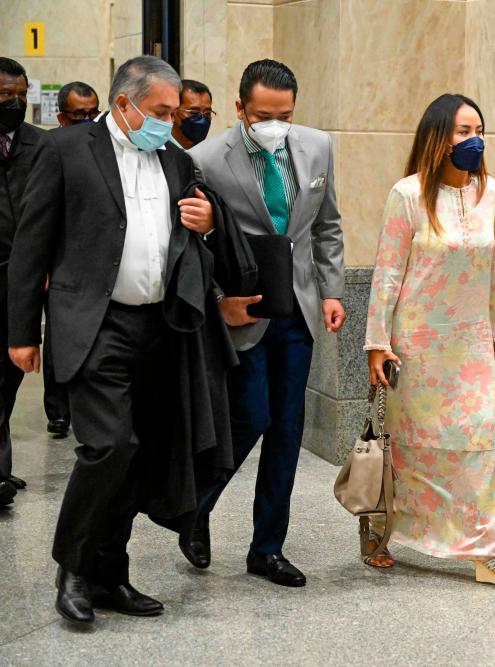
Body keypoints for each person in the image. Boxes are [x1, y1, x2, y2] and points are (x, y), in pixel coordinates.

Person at [7, 56, 216, 625]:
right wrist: (22, 332)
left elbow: (191, 235)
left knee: (141, 453)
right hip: (95, 323)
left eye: (175, 112)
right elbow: (31, 244)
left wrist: (205, 221)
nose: (170, 122)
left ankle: (110, 573)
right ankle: (72, 569)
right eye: (161, 111)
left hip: (159, 328)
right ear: (123, 103)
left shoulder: (175, 160)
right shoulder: (65, 151)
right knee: (109, 446)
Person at [363, 93, 495, 593]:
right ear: (438, 136)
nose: (474, 141)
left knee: (478, 443)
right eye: (463, 131)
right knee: (413, 451)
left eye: (479, 131)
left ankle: (489, 552)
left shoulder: (492, 193)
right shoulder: (407, 195)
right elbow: (386, 274)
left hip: (470, 346)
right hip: (417, 344)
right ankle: (382, 527)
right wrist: (378, 343)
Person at [185, 59, 345, 587]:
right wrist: (216, 301)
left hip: (297, 310)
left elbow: (327, 225)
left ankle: (267, 548)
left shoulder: (317, 146)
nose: (274, 124)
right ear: (240, 110)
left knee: (286, 430)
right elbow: (188, 248)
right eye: (262, 115)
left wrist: (331, 291)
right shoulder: (206, 159)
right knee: (249, 417)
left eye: (285, 114)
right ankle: (193, 509)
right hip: (243, 309)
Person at [0, 57, 41, 509]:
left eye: (21, 94)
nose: (16, 102)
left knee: (10, 375)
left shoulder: (40, 146)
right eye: (6, 94)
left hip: (28, 286)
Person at [39, 82, 100, 439]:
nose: (87, 119)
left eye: (92, 112)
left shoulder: (105, 147)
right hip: (58, 260)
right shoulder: (51, 148)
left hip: (93, 257)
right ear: (62, 116)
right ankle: (58, 410)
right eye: (79, 114)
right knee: (59, 339)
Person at [171, 79, 213, 149]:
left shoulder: (211, 153)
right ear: (173, 112)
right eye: (194, 113)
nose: (202, 120)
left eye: (207, 113)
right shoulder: (158, 152)